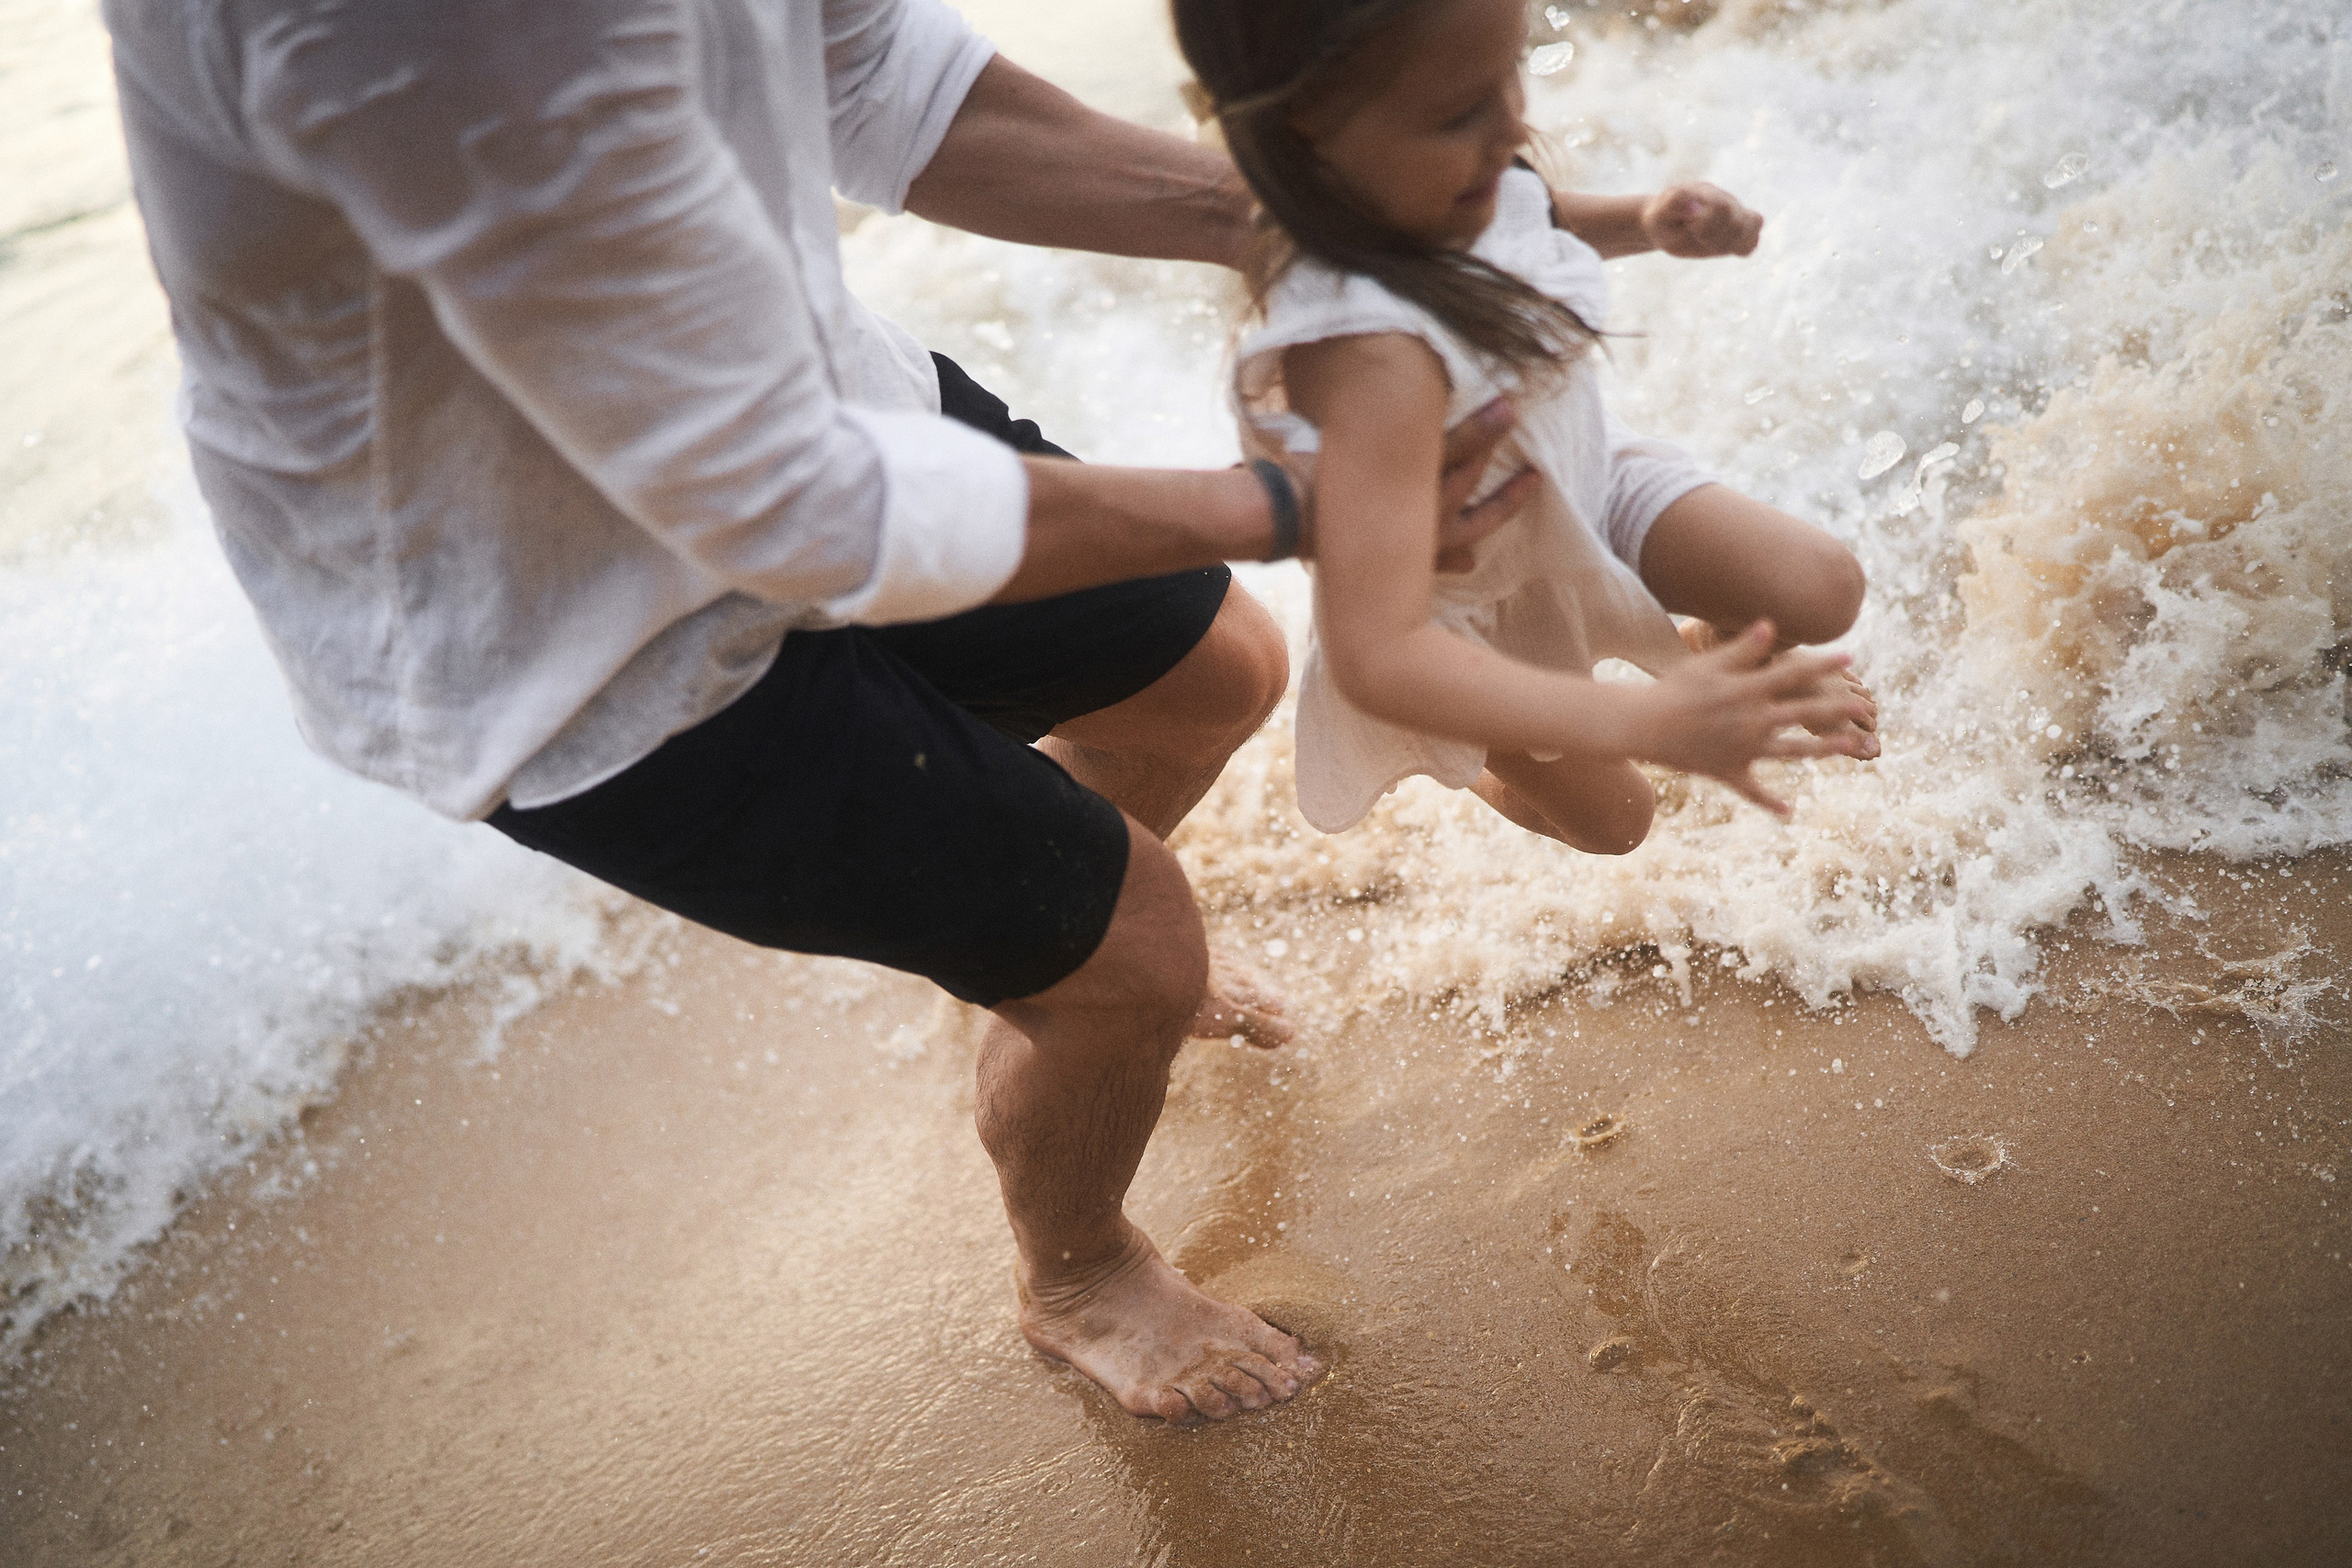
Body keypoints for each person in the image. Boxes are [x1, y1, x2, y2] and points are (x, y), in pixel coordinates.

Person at [105, 0, 1548, 1427]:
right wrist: (1298, 503)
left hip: (800, 407)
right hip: (546, 626)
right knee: (1143, 944)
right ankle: (1082, 1262)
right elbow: (786, 499)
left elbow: (867, 68)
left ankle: (1064, 975)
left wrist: (1290, 221)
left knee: (1216, 671)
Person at [1176, 0, 1880, 851]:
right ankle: (1478, 754)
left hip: (1583, 477)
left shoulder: (1451, 174)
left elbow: (1535, 213)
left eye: (1509, 76)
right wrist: (1643, 720)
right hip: (1458, 605)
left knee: (1819, 586)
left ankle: (1700, 655)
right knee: (1619, 822)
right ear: (1309, 129)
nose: (1511, 128)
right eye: (1462, 110)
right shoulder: (1366, 355)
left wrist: (1650, 219)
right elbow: (1379, 654)